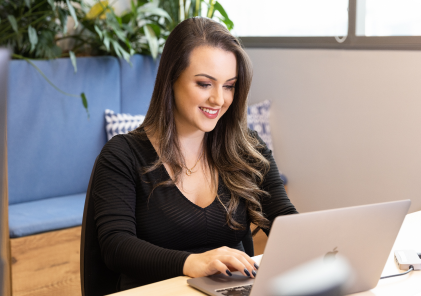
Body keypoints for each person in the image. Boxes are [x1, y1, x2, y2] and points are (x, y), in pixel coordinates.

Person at [91, 17, 298, 292]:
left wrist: (327, 246)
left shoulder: (249, 149)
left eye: (229, 85)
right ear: (171, 80)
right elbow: (117, 246)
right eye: (204, 84)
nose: (219, 99)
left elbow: (284, 218)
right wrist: (192, 263)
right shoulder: (122, 155)